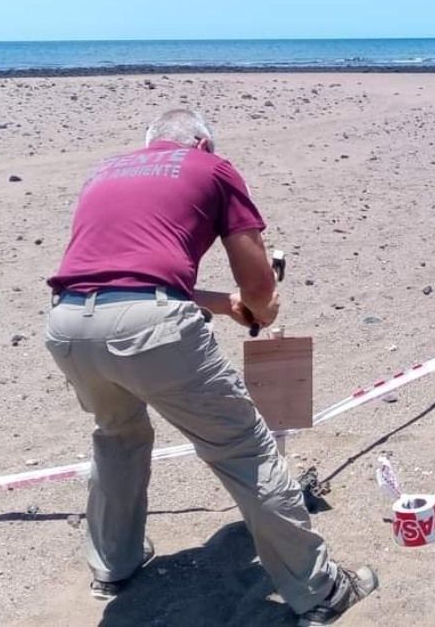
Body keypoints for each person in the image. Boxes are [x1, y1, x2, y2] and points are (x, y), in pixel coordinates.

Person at [44, 109, 377, 625]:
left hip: (68, 324)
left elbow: (121, 273)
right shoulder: (212, 168)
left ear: (149, 143)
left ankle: (113, 564)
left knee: (117, 436)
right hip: (148, 326)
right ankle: (321, 590)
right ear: (201, 143)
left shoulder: (105, 172)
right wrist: (261, 309)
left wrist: (224, 304)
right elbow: (259, 281)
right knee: (245, 451)